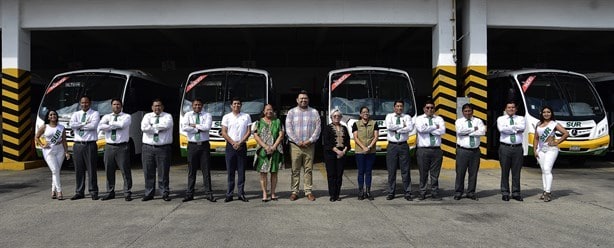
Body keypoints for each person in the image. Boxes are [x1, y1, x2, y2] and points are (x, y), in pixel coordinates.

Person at [285, 90, 321, 201]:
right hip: (295, 145)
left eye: (305, 98)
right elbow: (288, 129)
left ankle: (308, 191)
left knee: (308, 169)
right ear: (297, 100)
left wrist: (309, 141)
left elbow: (318, 129)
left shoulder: (314, 112)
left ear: (308, 100)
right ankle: (294, 191)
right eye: (301, 98)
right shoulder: (291, 112)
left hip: (309, 145)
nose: (303, 100)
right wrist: (298, 141)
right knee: (295, 169)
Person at [181, 99, 216, 203]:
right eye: (195, 105)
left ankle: (209, 194)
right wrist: (198, 128)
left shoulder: (207, 115)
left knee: (206, 170)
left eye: (199, 105)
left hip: (204, 146)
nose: (197, 106)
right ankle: (189, 194)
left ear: (202, 106)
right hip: (192, 145)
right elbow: (184, 127)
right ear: (192, 106)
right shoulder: (187, 115)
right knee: (192, 171)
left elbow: (207, 127)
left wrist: (194, 125)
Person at [98, 99, 133, 201]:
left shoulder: (127, 116)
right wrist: (113, 125)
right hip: (109, 146)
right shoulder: (106, 116)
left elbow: (123, 125)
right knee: (109, 170)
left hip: (122, 147)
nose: (116, 106)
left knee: (125, 170)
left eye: (118, 104)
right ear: (111, 106)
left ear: (121, 106)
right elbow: (100, 126)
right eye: (114, 104)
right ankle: (110, 192)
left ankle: (127, 192)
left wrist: (109, 125)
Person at [533, 106, 568, 202]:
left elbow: (566, 133)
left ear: (551, 113)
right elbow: (536, 138)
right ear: (542, 113)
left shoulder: (554, 124)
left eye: (548, 112)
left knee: (547, 169)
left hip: (551, 149)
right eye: (544, 112)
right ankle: (545, 191)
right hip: (541, 150)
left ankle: (548, 192)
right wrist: (534, 150)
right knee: (544, 170)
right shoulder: (539, 124)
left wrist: (557, 142)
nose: (546, 114)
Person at [141, 99, 174, 202]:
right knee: (148, 171)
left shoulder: (168, 116)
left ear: (162, 107)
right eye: (155, 106)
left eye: (159, 106)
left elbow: (166, 126)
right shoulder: (147, 116)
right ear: (152, 107)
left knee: (163, 172)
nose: (157, 108)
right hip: (148, 148)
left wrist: (151, 127)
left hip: (163, 148)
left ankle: (164, 193)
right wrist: (157, 128)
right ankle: (149, 193)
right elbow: (143, 128)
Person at [69, 96, 100, 200]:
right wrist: (85, 123)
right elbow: (72, 125)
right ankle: (79, 191)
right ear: (80, 103)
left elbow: (93, 126)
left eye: (86, 102)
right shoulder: (76, 114)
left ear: (90, 103)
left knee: (91, 169)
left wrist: (79, 125)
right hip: (77, 145)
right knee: (79, 170)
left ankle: (93, 191)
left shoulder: (95, 113)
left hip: (90, 144)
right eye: (82, 103)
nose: (84, 104)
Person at [221, 97, 252, 203]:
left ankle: (241, 193)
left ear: (241, 105)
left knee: (241, 171)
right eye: (234, 104)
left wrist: (240, 142)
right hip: (230, 146)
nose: (236, 105)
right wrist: (233, 142)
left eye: (238, 104)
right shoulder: (226, 117)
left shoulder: (246, 116)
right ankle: (229, 194)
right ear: (231, 106)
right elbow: (224, 132)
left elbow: (249, 131)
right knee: (230, 171)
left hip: (242, 146)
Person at [252, 104, 285, 202]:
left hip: (275, 150)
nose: (269, 111)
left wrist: (274, 146)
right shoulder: (258, 122)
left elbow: (281, 134)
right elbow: (256, 136)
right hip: (262, 151)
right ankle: (265, 193)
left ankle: (273, 193)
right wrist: (265, 146)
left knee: (274, 173)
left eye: (271, 109)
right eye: (267, 110)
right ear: (263, 111)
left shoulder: (278, 121)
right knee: (263, 174)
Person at [454, 103, 486, 200]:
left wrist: (467, 131)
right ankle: (458, 192)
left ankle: (471, 192)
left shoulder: (478, 121)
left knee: (473, 173)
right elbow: (460, 131)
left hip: (475, 151)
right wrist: (473, 129)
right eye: (466, 111)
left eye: (469, 111)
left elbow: (482, 132)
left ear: (473, 111)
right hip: (462, 150)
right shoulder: (459, 121)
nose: (468, 113)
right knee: (460, 172)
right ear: (463, 112)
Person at [35, 110, 70, 200]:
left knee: (56, 171)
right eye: (51, 115)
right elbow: (36, 137)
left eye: (54, 114)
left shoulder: (61, 127)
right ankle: (59, 191)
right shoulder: (44, 127)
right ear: (48, 117)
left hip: (60, 150)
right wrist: (42, 145)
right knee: (55, 170)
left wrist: (66, 152)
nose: (52, 116)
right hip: (49, 150)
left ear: (56, 116)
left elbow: (64, 141)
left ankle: (53, 190)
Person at [415, 100, 446, 201]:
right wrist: (434, 127)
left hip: (436, 150)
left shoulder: (439, 118)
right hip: (423, 150)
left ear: (434, 108)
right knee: (423, 173)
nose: (430, 109)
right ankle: (422, 192)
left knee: (435, 173)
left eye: (432, 107)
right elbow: (421, 129)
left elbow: (442, 130)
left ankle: (434, 192)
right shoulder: (419, 119)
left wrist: (428, 128)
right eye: (427, 107)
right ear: (424, 109)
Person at [385, 100, 414, 201]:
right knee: (391, 170)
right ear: (394, 107)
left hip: (403, 146)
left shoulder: (407, 117)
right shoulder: (389, 116)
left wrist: (397, 129)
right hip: (392, 146)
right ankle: (391, 192)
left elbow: (410, 128)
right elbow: (389, 127)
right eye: (397, 106)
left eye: (401, 106)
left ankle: (408, 192)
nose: (399, 108)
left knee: (405, 170)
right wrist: (403, 126)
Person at [497, 101, 526, 202]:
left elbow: (522, 128)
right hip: (505, 147)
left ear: (516, 109)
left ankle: (516, 193)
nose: (511, 109)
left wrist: (509, 128)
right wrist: (515, 129)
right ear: (505, 109)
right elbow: (502, 129)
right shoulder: (500, 119)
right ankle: (505, 192)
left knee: (516, 172)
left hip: (517, 148)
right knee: (505, 171)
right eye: (509, 107)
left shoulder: (521, 118)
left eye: (513, 107)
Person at [322, 109, 350, 202]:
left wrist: (344, 151)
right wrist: (337, 151)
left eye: (338, 116)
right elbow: (327, 142)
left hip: (342, 154)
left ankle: (337, 194)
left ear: (341, 117)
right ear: (331, 117)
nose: (337, 117)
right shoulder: (327, 128)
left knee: (339, 175)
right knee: (331, 175)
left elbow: (347, 141)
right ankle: (332, 195)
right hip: (331, 154)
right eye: (335, 116)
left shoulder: (344, 128)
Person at [352, 106, 379, 200]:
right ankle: (360, 191)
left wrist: (369, 147)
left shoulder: (374, 123)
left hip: (371, 151)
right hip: (360, 151)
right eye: (363, 112)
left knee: (368, 172)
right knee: (361, 172)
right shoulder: (356, 124)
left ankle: (368, 191)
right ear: (360, 114)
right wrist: (363, 147)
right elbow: (355, 138)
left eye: (367, 112)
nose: (365, 113)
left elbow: (376, 136)